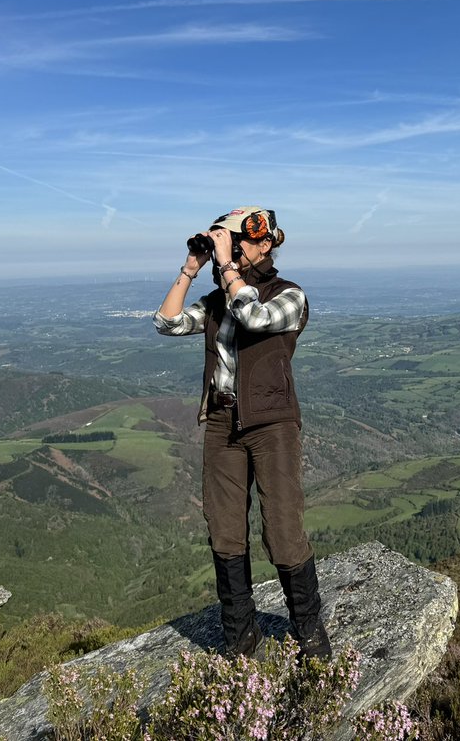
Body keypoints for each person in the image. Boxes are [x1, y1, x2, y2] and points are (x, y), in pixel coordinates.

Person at [154, 206, 330, 661]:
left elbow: (254, 317)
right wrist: (191, 267)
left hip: (272, 424)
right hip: (220, 422)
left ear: (264, 244)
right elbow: (168, 322)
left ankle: (310, 634)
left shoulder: (290, 295)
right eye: (223, 243)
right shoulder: (217, 301)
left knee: (284, 530)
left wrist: (228, 266)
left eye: (235, 241)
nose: (225, 251)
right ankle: (240, 638)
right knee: (225, 532)